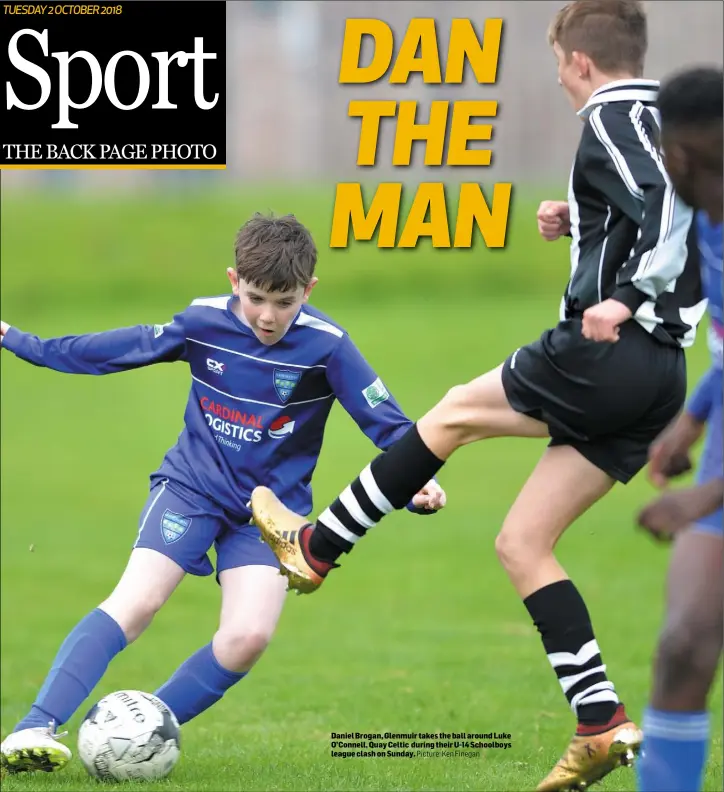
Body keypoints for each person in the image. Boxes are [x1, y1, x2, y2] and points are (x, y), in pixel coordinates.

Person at [248, 2, 707, 790]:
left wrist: (626, 295)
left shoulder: (611, 117)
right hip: (662, 376)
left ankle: (316, 549)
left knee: (454, 412)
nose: (560, 79)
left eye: (559, 64)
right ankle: (599, 721)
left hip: (609, 349)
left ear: (579, 63)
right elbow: (669, 208)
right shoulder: (665, 116)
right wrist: (583, 223)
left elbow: (671, 211)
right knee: (522, 544)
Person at [0, 213, 445, 774]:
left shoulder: (328, 347)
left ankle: (137, 734)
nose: (267, 316)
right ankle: (33, 727)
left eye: (285, 302)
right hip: (192, 486)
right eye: (257, 298)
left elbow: (387, 424)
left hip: (270, 517)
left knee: (247, 637)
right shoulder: (203, 322)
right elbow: (121, 348)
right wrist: (25, 343)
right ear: (235, 280)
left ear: (308, 290)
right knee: (136, 603)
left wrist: (416, 482)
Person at [634, 65, 723, 792]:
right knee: (684, 644)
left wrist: (705, 496)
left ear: (679, 158)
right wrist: (693, 417)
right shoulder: (708, 225)